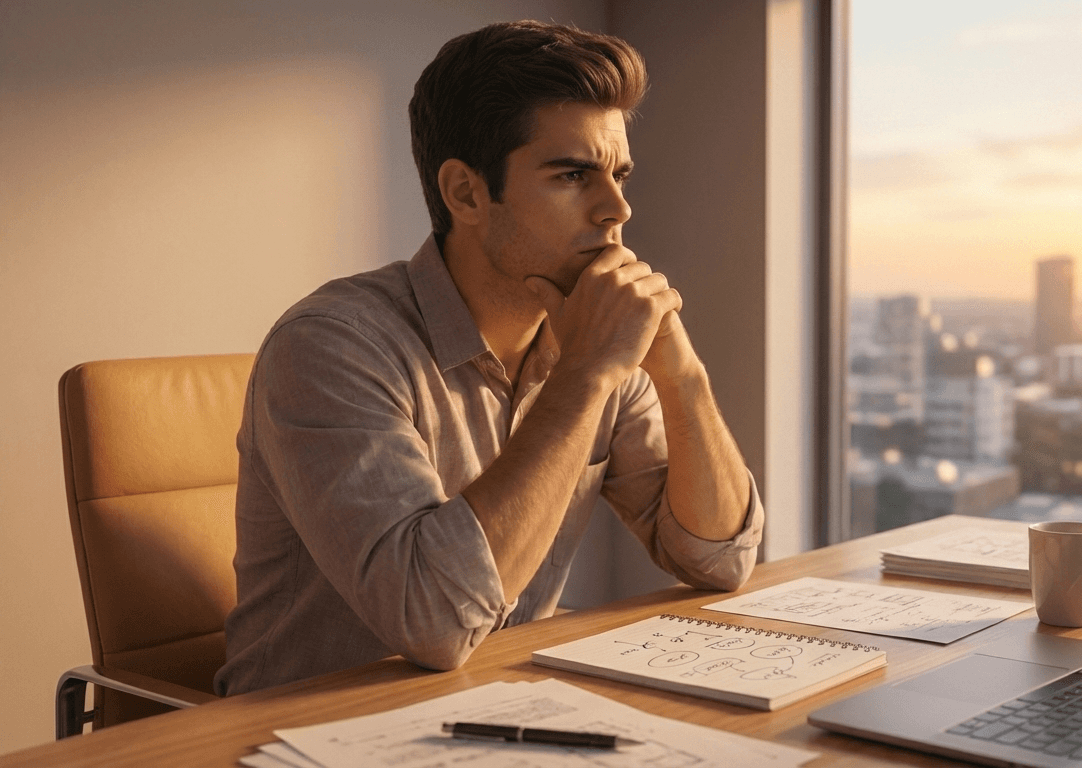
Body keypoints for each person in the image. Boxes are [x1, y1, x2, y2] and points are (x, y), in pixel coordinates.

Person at [213, 20, 763, 696]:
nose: (617, 208)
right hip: (307, 732)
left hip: (504, 711)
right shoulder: (330, 346)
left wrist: (682, 375)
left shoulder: (591, 335)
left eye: (618, 174)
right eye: (572, 175)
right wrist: (585, 376)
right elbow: (434, 623)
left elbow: (719, 558)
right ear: (466, 193)